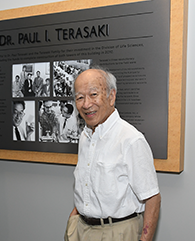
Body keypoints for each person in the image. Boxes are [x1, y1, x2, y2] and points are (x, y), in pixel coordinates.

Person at [64, 66, 161, 241]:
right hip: (81, 229)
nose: (86, 104)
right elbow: (86, 184)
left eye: (94, 95)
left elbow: (152, 198)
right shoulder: (85, 136)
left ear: (111, 96)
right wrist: (74, 219)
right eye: (79, 97)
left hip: (117, 232)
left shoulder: (130, 139)